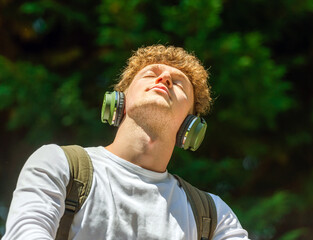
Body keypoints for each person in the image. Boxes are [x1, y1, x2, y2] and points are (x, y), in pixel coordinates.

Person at [3, 45, 249, 239]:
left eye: (178, 83)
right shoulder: (59, 164)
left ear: (191, 126)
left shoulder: (213, 215)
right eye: (151, 74)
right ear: (118, 101)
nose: (164, 78)